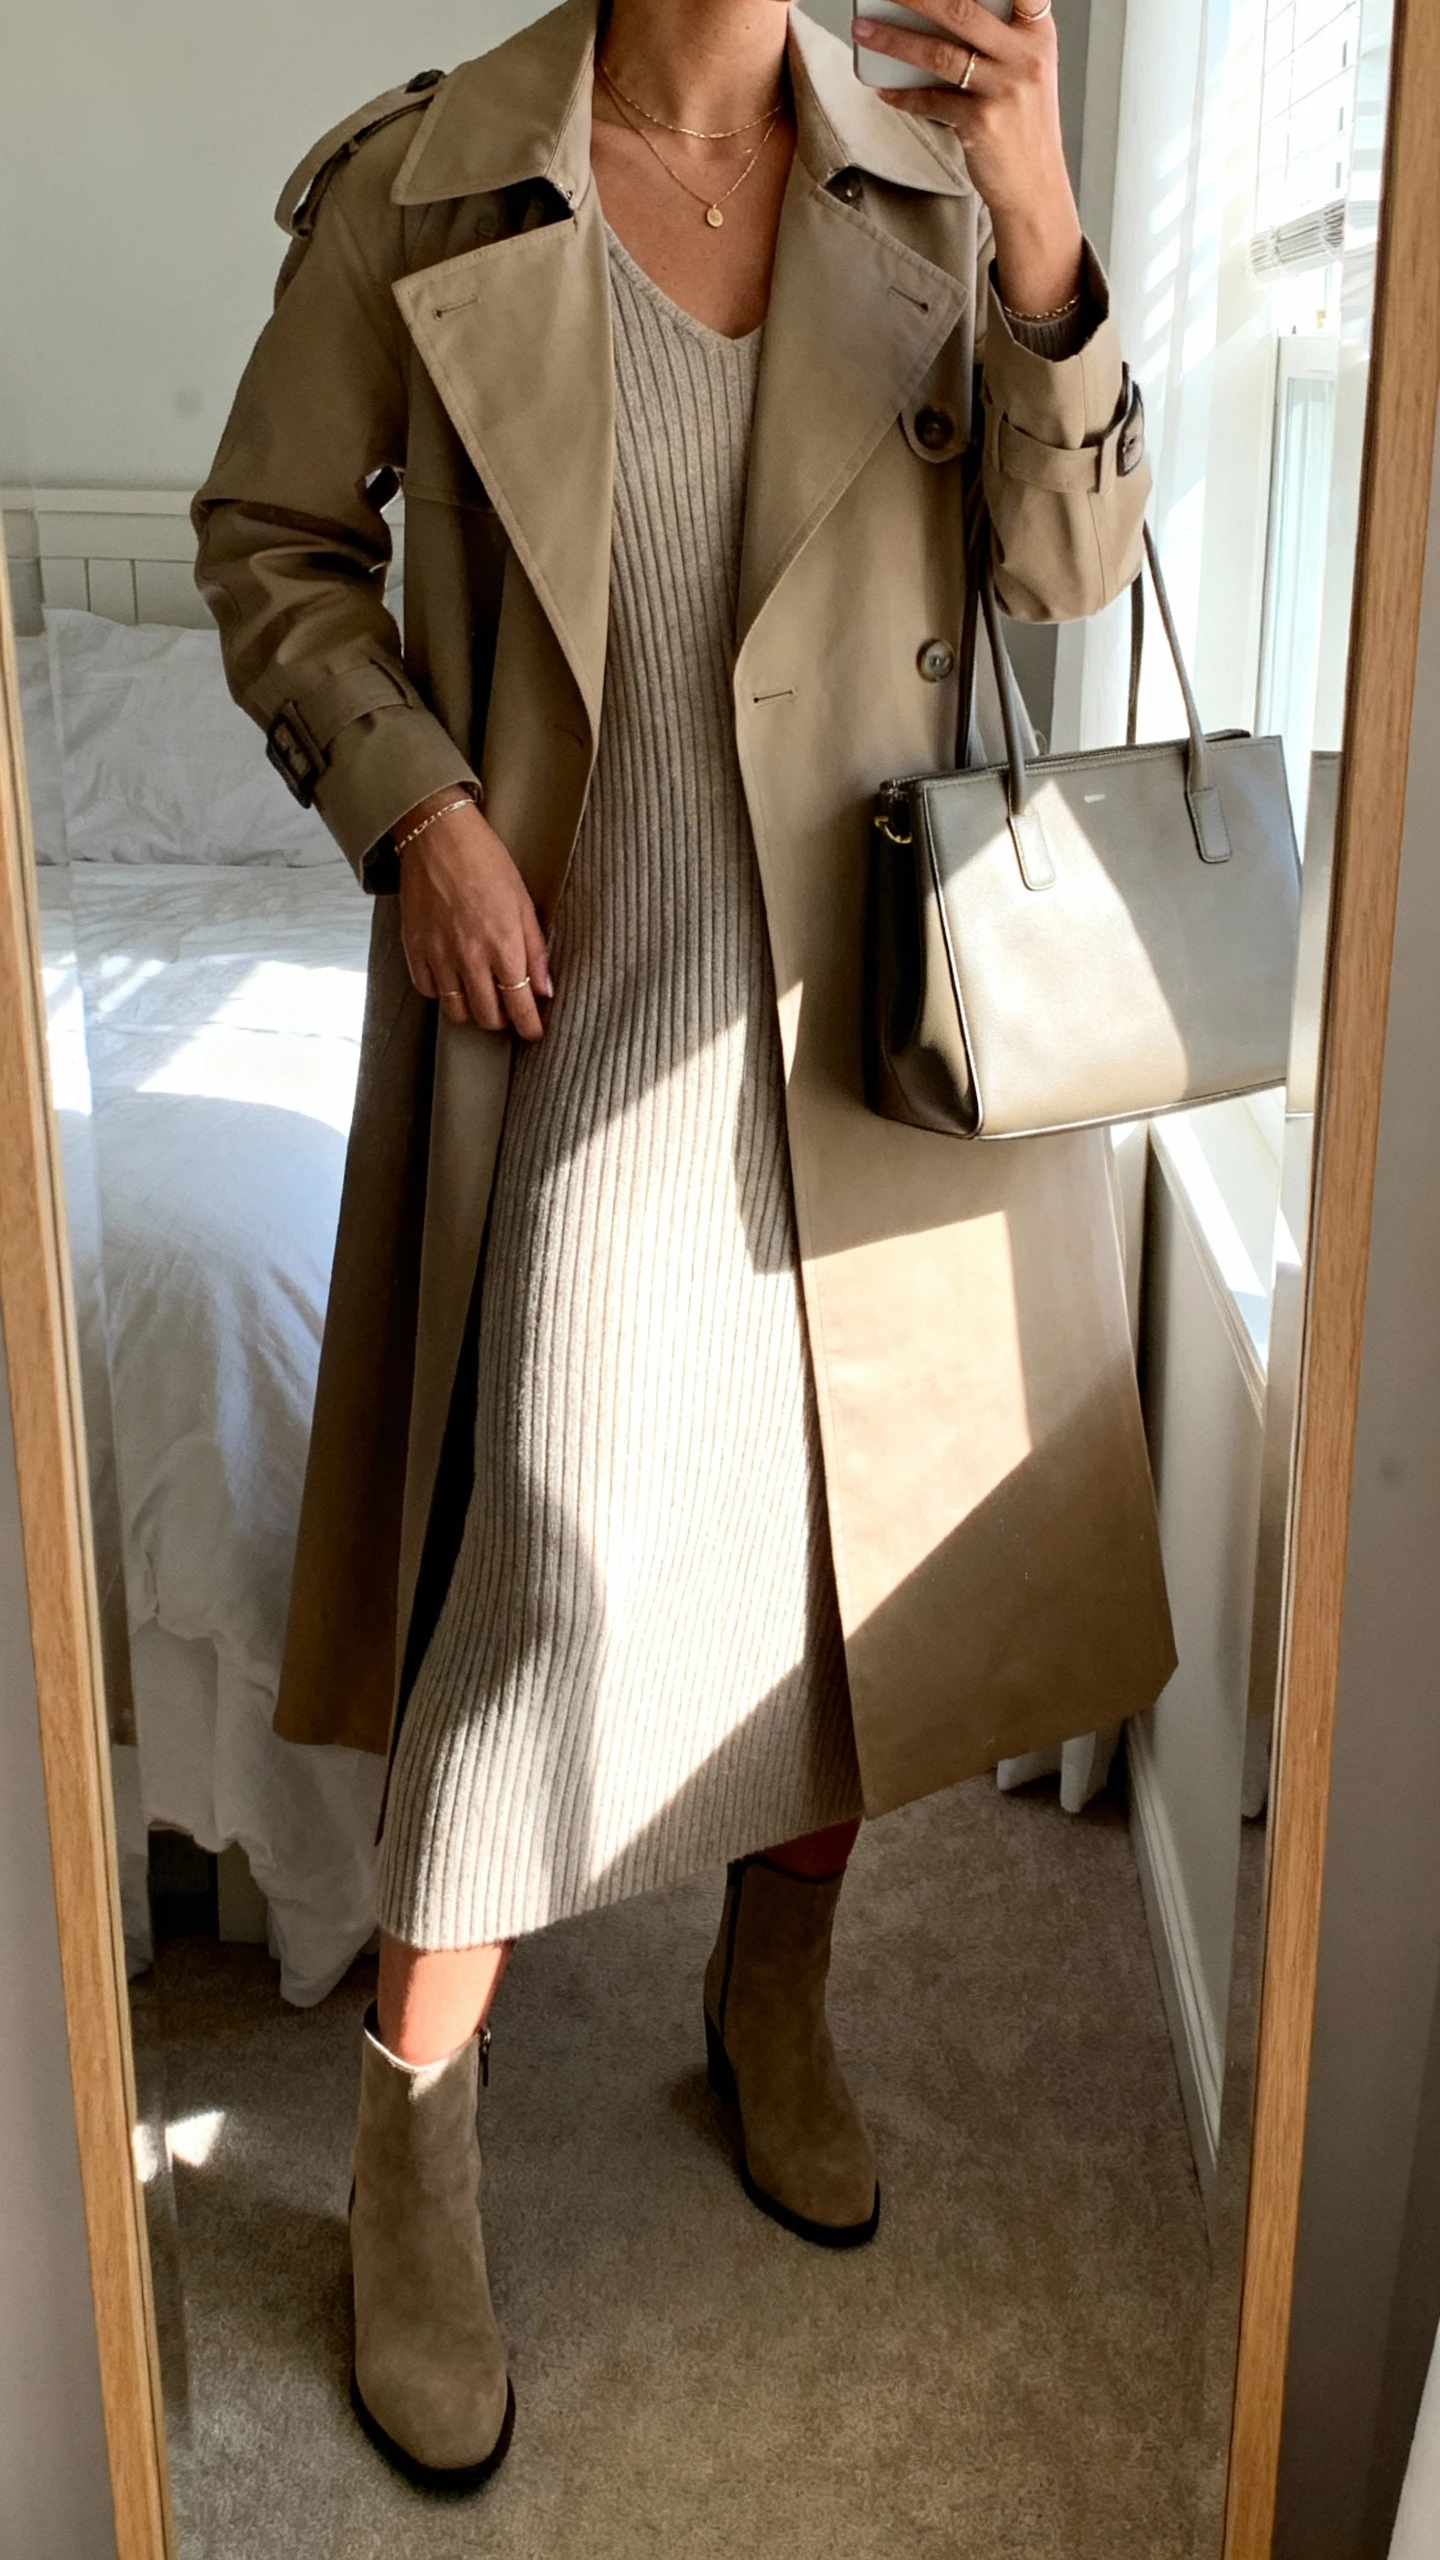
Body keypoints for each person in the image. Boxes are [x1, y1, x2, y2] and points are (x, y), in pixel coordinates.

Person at [195, 0, 1171, 2492]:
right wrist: (417, 810)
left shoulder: (943, 202)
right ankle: (415, 2143)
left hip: (868, 1039)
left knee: (843, 1586)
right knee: (548, 1594)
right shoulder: (427, 183)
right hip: (578, 1038)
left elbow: (1068, 568)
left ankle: (775, 1988)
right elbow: (272, 543)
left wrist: (1045, 222)